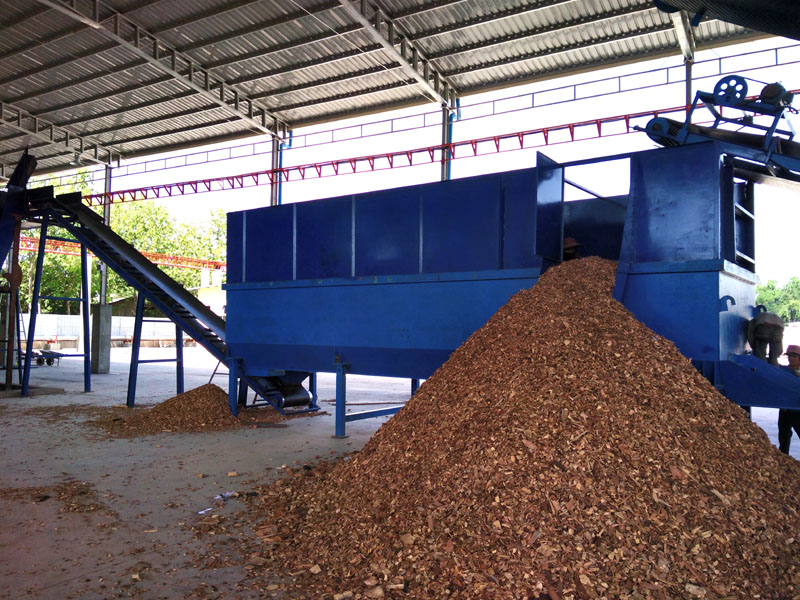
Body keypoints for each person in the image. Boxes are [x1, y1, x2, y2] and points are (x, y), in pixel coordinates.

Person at [778, 344, 800, 454]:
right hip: (784, 410)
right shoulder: (783, 371)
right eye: (789, 356)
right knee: (783, 438)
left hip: (798, 411)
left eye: (794, 356)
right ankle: (784, 461)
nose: (790, 358)